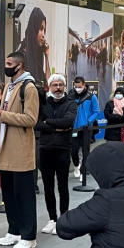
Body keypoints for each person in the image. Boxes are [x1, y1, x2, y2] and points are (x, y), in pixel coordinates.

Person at [0, 51, 40, 248]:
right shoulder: (10, 87)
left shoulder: (29, 88)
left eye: (9, 63)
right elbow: (7, 116)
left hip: (20, 151)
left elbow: (30, 119)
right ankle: (14, 230)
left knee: (24, 195)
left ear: (19, 66)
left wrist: (3, 114)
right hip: (5, 150)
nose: (6, 65)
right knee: (9, 194)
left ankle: (29, 236)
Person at [37, 74, 77, 235]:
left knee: (62, 186)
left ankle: (63, 218)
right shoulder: (43, 104)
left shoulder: (71, 103)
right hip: (45, 149)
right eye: (55, 85)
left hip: (63, 149)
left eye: (61, 84)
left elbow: (68, 121)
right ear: (49, 86)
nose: (58, 87)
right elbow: (37, 123)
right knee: (48, 187)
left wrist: (48, 123)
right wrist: (56, 127)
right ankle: (52, 218)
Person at [68, 76, 102, 178]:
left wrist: (88, 121)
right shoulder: (71, 96)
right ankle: (76, 166)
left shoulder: (91, 97)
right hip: (74, 128)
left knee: (85, 150)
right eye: (76, 86)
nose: (77, 88)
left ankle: (84, 170)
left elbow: (96, 111)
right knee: (73, 150)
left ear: (84, 85)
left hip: (86, 129)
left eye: (79, 86)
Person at [18, 6, 49, 89]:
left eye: (44, 30)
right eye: (40, 29)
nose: (43, 35)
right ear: (34, 29)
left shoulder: (37, 53)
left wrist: (46, 56)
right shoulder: (22, 54)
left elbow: (47, 83)